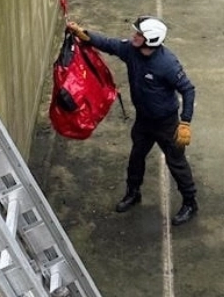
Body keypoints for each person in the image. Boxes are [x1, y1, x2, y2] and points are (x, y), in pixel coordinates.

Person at [66, 16, 199, 226]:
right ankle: (133, 193)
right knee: (136, 157)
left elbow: (188, 89)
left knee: (177, 163)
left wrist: (185, 122)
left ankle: (190, 203)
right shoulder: (132, 51)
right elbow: (109, 44)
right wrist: (84, 34)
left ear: (151, 40)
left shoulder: (168, 64)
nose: (133, 36)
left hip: (166, 124)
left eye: (139, 34)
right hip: (144, 120)